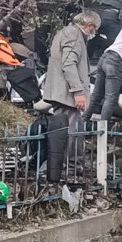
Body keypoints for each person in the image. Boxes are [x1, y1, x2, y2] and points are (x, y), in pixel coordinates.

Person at [41, 10, 100, 185]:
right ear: (89, 26)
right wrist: (78, 91)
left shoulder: (66, 32)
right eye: (95, 29)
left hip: (62, 93)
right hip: (67, 94)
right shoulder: (74, 34)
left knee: (63, 133)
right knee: (73, 132)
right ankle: (72, 170)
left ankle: (62, 170)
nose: (94, 32)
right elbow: (68, 64)